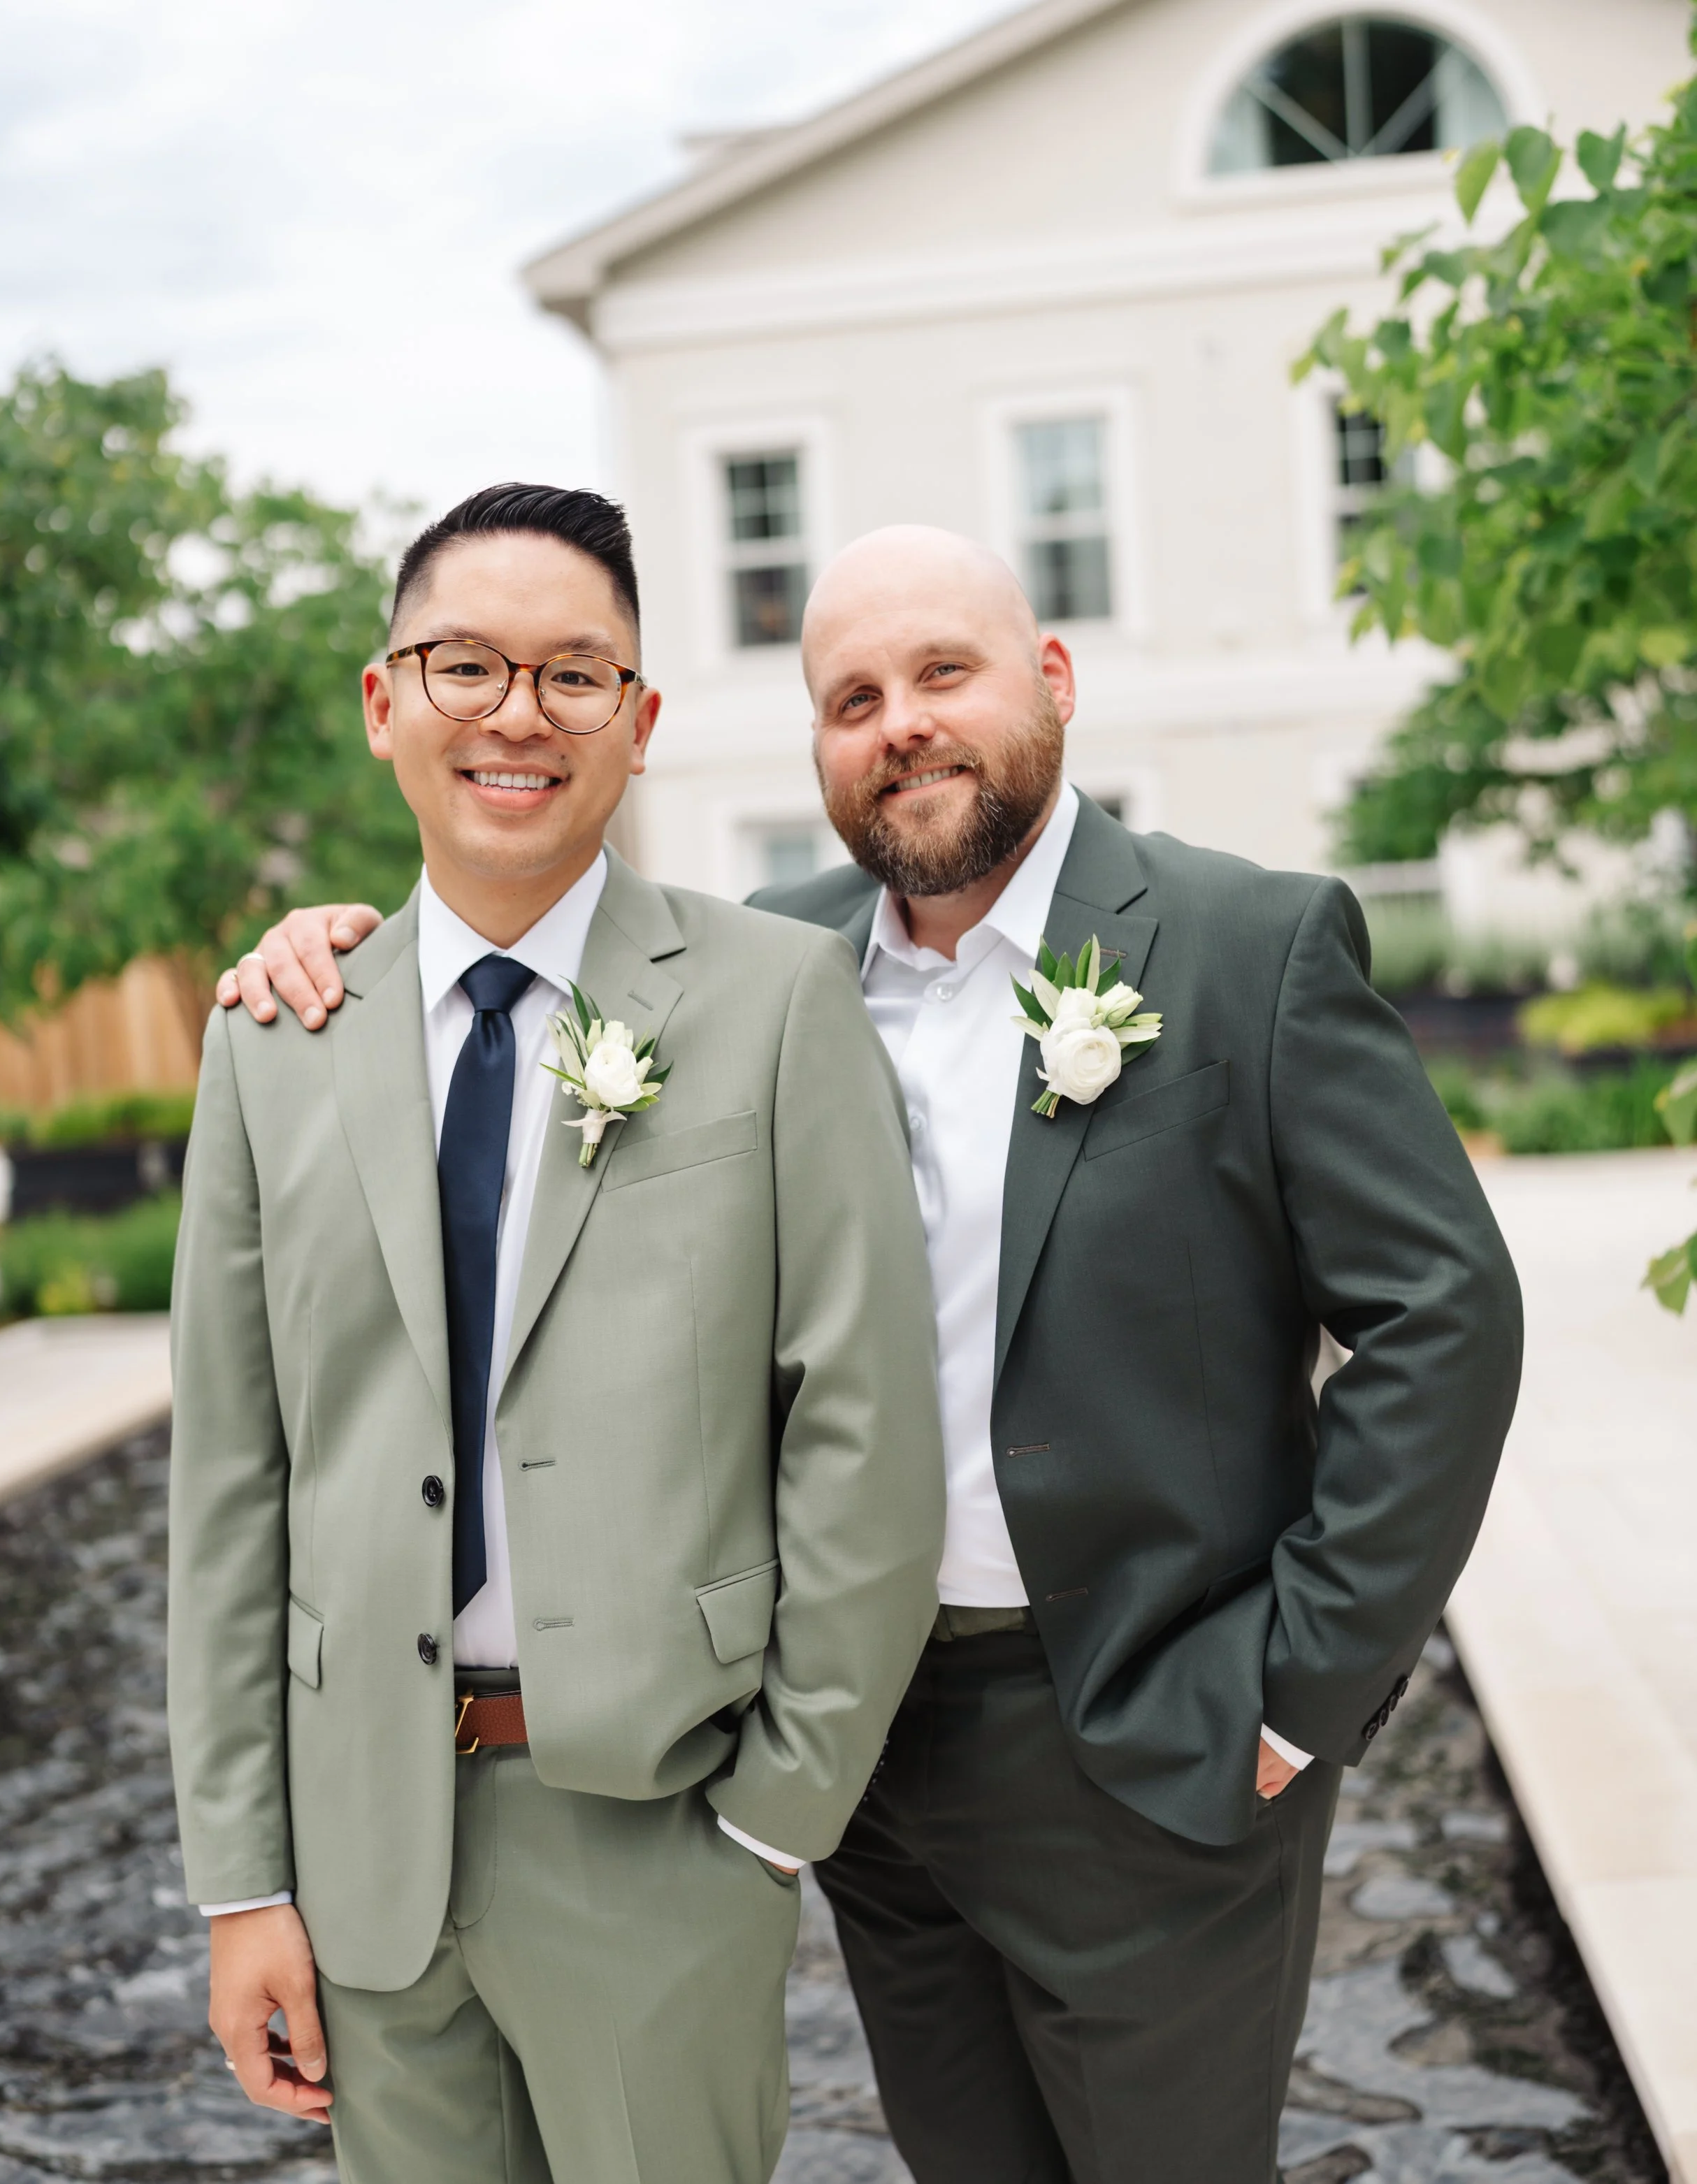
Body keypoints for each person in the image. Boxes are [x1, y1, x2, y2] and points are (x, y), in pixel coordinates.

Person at [221, 523, 1523, 2184]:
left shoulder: (1241, 943)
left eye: (940, 673)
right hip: (861, 1751)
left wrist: (1299, 1680)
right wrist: (332, 947)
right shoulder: (760, 964)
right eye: (850, 696)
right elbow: (511, 971)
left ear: (1046, 681)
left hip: (1147, 1722)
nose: (897, 721)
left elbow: (1445, 1314)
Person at [171, 484, 945, 2184]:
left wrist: (770, 1818)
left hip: (661, 1830)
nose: (517, 713)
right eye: (465, 665)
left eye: (574, 675)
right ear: (384, 703)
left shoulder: (774, 1003)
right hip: (360, 1842)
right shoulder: (276, 1036)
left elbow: (864, 1439)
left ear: (640, 722)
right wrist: (242, 1880)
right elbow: (235, 1478)